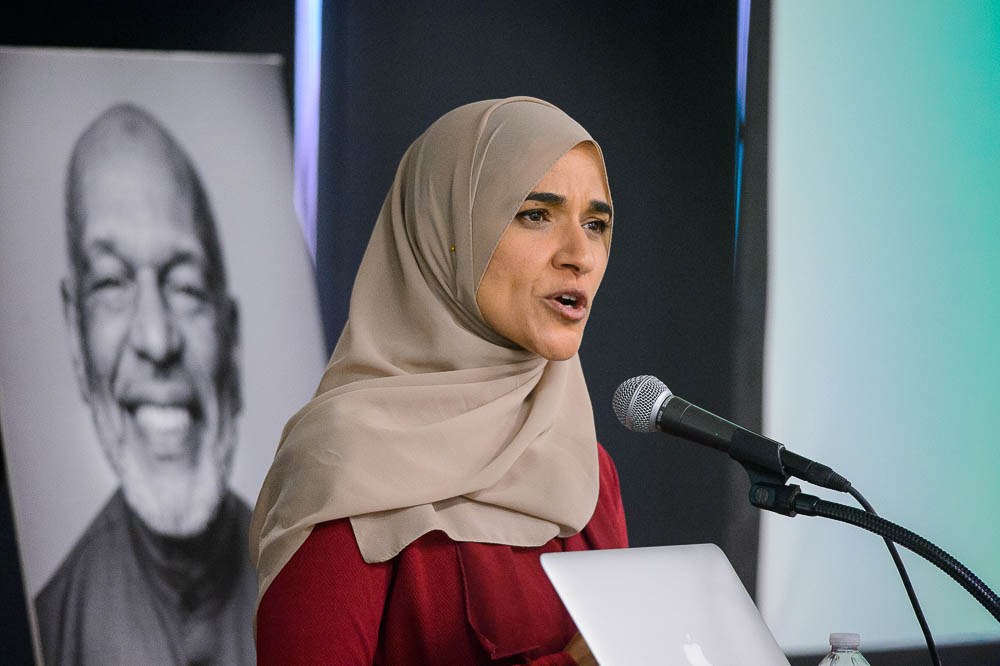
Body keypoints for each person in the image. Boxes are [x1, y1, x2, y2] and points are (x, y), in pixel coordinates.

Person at [251, 97, 627, 665]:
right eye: (535, 214)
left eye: (595, 224)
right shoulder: (346, 462)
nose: (581, 255)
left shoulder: (587, 466)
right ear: (445, 230)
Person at [35, 103, 256, 665]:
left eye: (185, 287)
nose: (157, 341)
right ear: (75, 336)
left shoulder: (319, 589)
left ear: (230, 335)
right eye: (111, 282)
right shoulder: (47, 634)